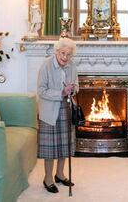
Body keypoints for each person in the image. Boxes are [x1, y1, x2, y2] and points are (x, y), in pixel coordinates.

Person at [37, 38, 78, 194]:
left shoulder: (72, 66)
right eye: (62, 53)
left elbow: (77, 85)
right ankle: (48, 178)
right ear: (56, 51)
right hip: (49, 111)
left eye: (68, 54)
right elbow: (41, 90)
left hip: (66, 109)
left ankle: (60, 174)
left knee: (64, 145)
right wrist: (60, 92)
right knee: (51, 149)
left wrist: (72, 89)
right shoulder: (46, 66)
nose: (65, 57)